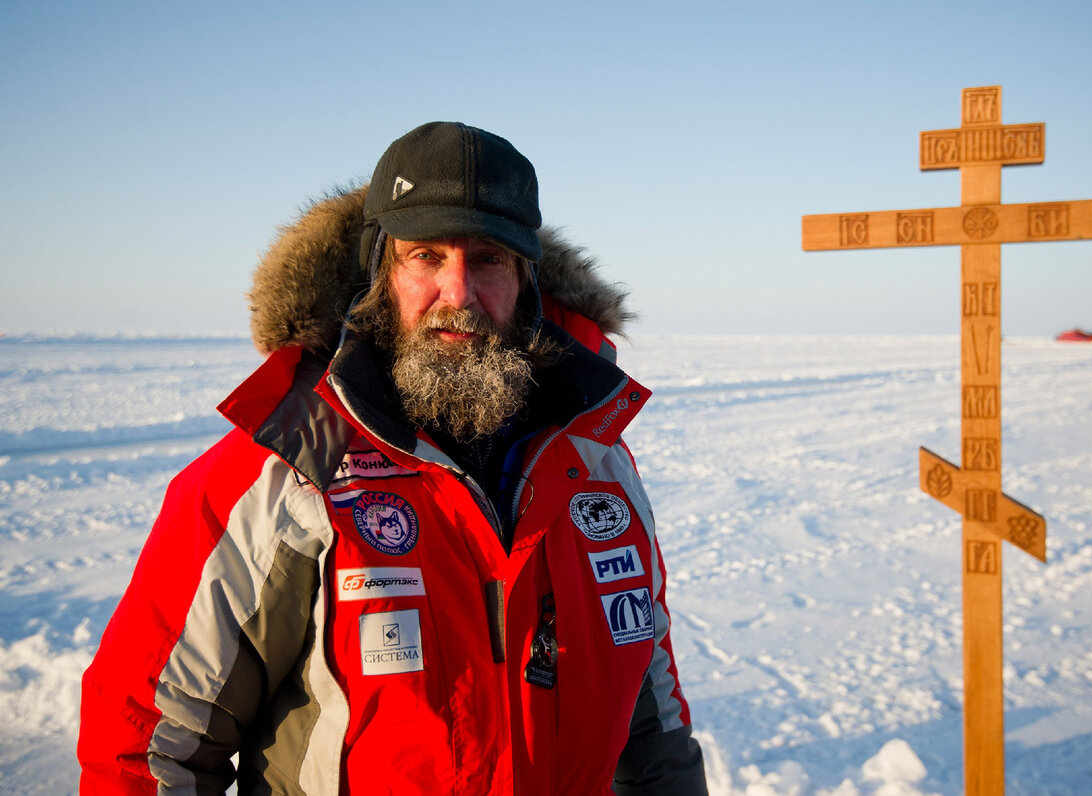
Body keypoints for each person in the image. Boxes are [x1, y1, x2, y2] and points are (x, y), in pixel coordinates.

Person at [77, 122, 708, 795]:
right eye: (427, 256)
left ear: (527, 281)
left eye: (489, 258)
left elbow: (651, 729)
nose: (459, 293)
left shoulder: (597, 462)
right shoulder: (283, 470)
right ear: (380, 270)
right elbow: (147, 747)